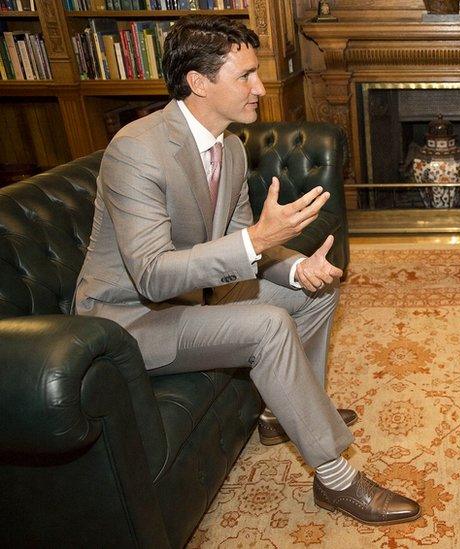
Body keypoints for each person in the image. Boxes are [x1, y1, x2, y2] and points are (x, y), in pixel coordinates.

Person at [74, 15, 420, 526]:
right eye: (245, 76)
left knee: (315, 291)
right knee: (268, 324)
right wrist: (257, 239)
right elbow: (150, 275)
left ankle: (282, 413)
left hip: (195, 298)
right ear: (198, 82)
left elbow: (240, 245)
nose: (260, 87)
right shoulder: (136, 150)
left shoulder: (231, 147)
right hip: (127, 321)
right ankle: (336, 478)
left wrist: (297, 267)